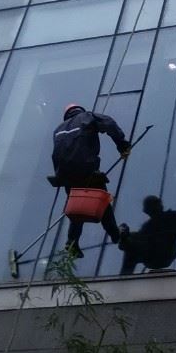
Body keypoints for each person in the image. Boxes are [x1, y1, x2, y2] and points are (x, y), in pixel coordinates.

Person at [50, 103, 130, 257]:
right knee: (101, 200)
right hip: (86, 169)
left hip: (66, 176)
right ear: (80, 110)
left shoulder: (58, 130)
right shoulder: (87, 117)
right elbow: (109, 123)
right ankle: (115, 234)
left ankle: (72, 241)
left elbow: (56, 154)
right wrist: (122, 145)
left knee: (78, 206)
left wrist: (61, 175)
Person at [118, 196, 176, 275]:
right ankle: (125, 239)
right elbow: (139, 239)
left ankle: (125, 240)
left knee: (133, 244)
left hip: (164, 254)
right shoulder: (148, 225)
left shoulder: (173, 216)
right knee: (132, 245)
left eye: (152, 206)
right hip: (152, 255)